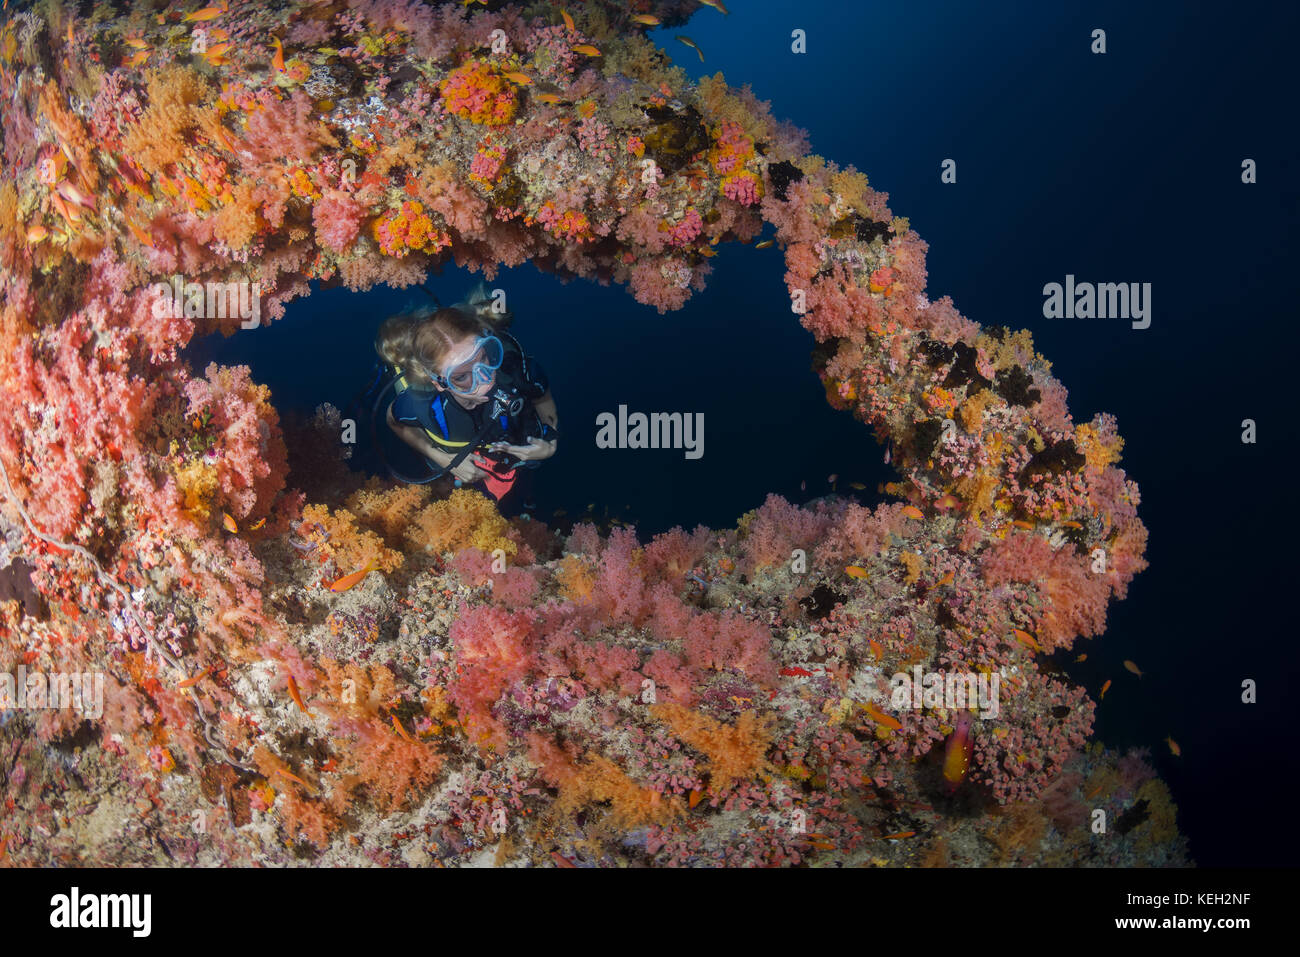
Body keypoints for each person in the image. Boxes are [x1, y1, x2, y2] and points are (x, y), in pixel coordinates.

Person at [373, 288, 559, 504]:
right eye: (461, 376)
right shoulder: (422, 403)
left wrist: (551, 441)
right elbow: (393, 420)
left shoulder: (515, 369)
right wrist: (443, 459)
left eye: (483, 358)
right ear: (439, 382)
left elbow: (542, 397)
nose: (484, 380)